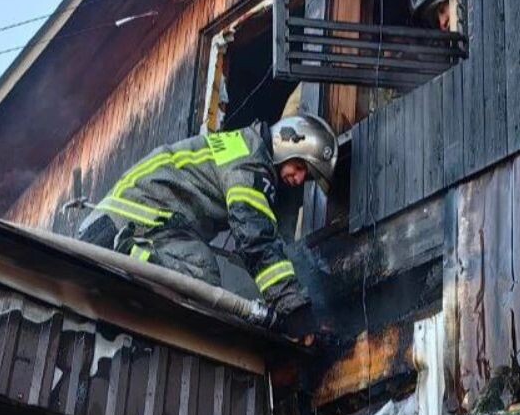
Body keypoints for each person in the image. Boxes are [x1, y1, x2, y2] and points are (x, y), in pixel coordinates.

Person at [77, 114, 338, 334]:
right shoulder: (251, 164)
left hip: (133, 219)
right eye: (301, 166)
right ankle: (129, 255)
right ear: (289, 140)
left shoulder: (244, 145)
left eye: (307, 178)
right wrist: (294, 309)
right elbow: (255, 237)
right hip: (134, 222)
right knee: (200, 276)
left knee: (200, 273)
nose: (299, 178)